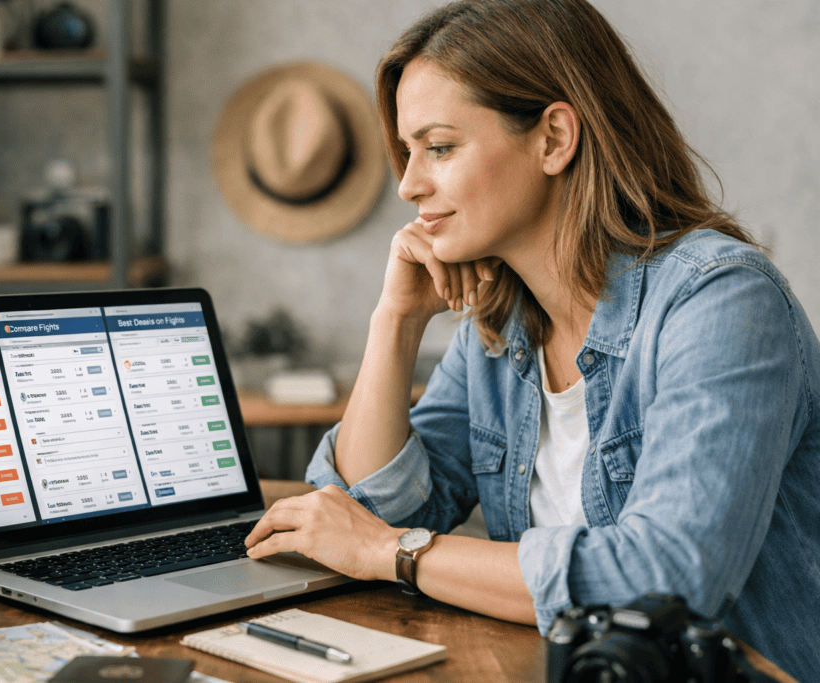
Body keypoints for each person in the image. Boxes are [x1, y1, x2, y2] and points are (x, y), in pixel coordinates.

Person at [242, 1, 820, 680]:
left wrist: (397, 552)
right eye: (407, 151)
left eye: (439, 146)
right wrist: (395, 321)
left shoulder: (720, 301)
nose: (408, 184)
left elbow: (666, 577)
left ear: (553, 138)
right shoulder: (500, 324)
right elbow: (364, 515)